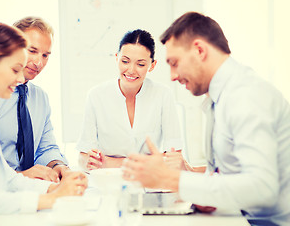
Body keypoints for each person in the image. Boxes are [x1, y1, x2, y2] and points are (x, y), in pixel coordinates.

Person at [122, 12, 290, 225]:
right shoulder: (219, 97)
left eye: (174, 63)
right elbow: (227, 178)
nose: (172, 76)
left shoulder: (246, 95)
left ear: (200, 50)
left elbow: (262, 188)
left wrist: (171, 179)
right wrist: (201, 191)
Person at [0, 22, 87, 226]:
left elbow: (6, 178)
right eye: (14, 70)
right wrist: (48, 199)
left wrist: (52, 189)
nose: (21, 78)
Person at [77, 29, 183, 170]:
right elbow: (84, 158)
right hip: (108, 182)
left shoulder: (163, 94)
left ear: (152, 65)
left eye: (140, 64)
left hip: (150, 182)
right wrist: (151, 161)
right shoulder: (96, 96)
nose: (131, 70)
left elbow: (174, 159)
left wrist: (109, 162)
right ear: (117, 58)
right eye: (125, 61)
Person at [0, 17, 68, 182]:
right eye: (32, 51)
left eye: (46, 55)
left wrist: (58, 166)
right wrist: (21, 177)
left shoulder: (40, 98)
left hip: (28, 193)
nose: (39, 62)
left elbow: (45, 148)